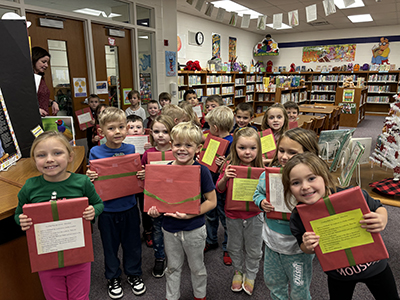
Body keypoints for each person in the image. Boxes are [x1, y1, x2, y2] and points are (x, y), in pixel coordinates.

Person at [282, 152, 400, 300]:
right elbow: (303, 246)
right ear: (289, 188)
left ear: (324, 178)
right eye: (296, 183)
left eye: (311, 178)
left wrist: (382, 218)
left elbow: (378, 207)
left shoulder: (352, 196)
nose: (305, 187)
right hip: (338, 273)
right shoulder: (299, 215)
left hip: (375, 266)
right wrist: (308, 245)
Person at [15, 131, 104, 300]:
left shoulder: (81, 182)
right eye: (41, 155)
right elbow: (19, 214)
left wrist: (94, 211)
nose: (49, 159)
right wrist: (21, 221)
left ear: (70, 156)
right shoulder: (30, 187)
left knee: (80, 297)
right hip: (47, 260)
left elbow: (98, 204)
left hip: (79, 256)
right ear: (34, 160)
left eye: (57, 153)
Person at [147, 121, 217, 300]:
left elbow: (211, 201)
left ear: (198, 148)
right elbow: (157, 201)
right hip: (170, 228)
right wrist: (154, 211)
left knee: (197, 267)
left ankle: (200, 295)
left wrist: (191, 213)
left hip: (194, 228)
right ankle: (172, 297)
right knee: (173, 267)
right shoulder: (164, 170)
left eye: (188, 145)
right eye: (178, 144)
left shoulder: (202, 171)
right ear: (171, 145)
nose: (182, 149)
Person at [86, 107, 146, 299]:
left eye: (121, 127)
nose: (118, 131)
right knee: (109, 246)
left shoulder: (130, 149)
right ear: (101, 131)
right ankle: (113, 277)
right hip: (106, 209)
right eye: (111, 128)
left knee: (133, 243)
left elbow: (137, 177)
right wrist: (90, 176)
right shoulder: (95, 151)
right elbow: (93, 180)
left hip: (129, 206)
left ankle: (134, 273)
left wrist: (142, 174)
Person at [253, 128, 319, 300]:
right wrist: (261, 202)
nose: (283, 156)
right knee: (274, 283)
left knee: (299, 288)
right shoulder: (268, 176)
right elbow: (257, 193)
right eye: (281, 150)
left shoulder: (312, 183)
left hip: (298, 248)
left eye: (292, 153)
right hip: (272, 243)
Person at [216, 127, 264, 295]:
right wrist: (226, 177)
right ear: (235, 147)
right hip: (233, 215)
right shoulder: (229, 165)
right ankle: (238, 271)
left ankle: (251, 274)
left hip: (255, 215)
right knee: (234, 246)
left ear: (259, 149)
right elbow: (219, 189)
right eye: (242, 147)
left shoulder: (262, 167)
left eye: (252, 148)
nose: (247, 152)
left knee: (254, 248)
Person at [141, 114, 175, 278]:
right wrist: (142, 174)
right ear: (151, 133)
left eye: (165, 131)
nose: (160, 135)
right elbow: (141, 174)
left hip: (175, 199)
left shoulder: (177, 152)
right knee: (157, 230)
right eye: (156, 131)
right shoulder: (148, 154)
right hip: (156, 199)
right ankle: (159, 258)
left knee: (175, 229)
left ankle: (176, 259)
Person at [204, 106, 234, 265]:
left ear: (215, 128)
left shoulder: (233, 143)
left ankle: (228, 247)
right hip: (210, 183)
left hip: (223, 186)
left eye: (209, 126)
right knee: (210, 214)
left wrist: (225, 164)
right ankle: (211, 239)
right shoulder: (212, 140)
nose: (208, 130)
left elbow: (236, 164)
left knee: (225, 217)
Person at [126, 115, 153, 248]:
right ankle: (134, 233)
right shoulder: (123, 146)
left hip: (144, 182)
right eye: (131, 127)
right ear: (126, 130)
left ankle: (148, 231)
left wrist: (149, 149)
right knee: (132, 209)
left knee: (145, 208)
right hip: (129, 182)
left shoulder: (148, 145)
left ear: (144, 130)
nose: (135, 130)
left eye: (138, 127)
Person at [32, 46, 59, 116]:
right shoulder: (26, 78)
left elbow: (42, 98)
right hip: (32, 118)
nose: (46, 65)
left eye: (47, 62)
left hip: (44, 118)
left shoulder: (41, 78)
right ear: (34, 59)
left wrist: (53, 102)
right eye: (43, 62)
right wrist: (35, 110)